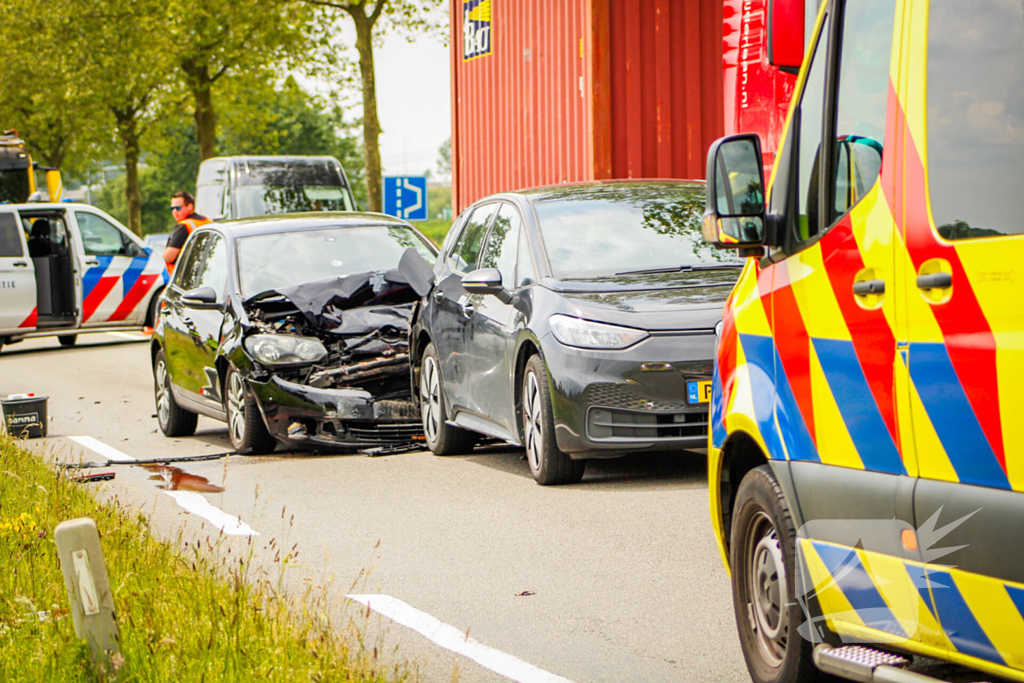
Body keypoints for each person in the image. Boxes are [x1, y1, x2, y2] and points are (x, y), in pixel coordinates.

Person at [163, 191, 211, 274]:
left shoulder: (183, 226)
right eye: (172, 209)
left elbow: (169, 256)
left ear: (190, 206)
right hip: (208, 269)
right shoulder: (208, 221)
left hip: (187, 275)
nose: (174, 211)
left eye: (178, 208)